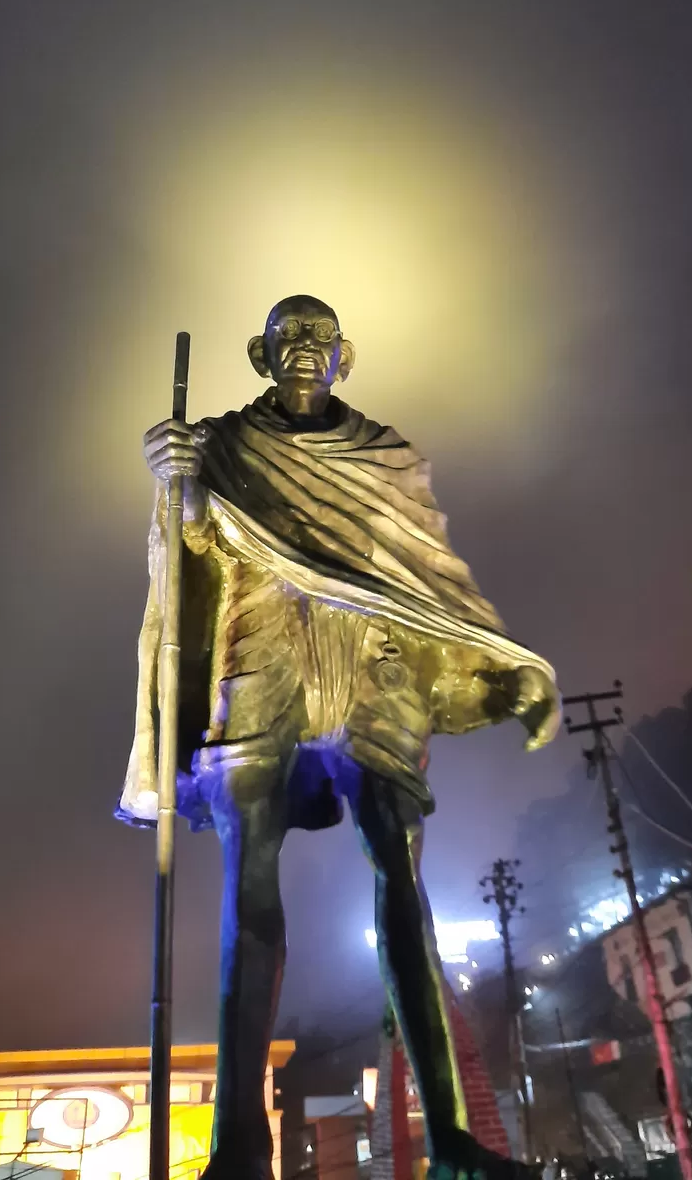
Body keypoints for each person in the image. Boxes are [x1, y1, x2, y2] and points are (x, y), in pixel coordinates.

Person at [119, 295, 561, 1180]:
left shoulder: (387, 458)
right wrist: (174, 480)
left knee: (402, 875)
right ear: (260, 353)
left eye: (321, 337)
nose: (305, 348)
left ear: (345, 355)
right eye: (287, 336)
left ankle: (451, 1141)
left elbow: (429, 574)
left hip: (375, 663)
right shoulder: (220, 445)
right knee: (250, 882)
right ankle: (239, 1146)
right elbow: (196, 541)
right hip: (261, 650)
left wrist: (501, 663)